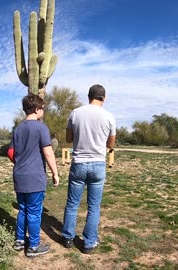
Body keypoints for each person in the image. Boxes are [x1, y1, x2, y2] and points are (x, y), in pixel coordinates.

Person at [61, 84, 116, 254]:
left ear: (88, 96)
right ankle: (89, 243)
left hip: (79, 163)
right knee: (94, 206)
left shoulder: (76, 113)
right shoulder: (109, 117)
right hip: (98, 164)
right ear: (104, 98)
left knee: (72, 203)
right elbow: (111, 144)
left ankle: (68, 237)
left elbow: (69, 138)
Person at [7, 93, 60, 257]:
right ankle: (34, 247)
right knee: (35, 212)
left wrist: (21, 163)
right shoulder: (41, 128)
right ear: (37, 109)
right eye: (42, 108)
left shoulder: (18, 128)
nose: (43, 111)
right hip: (34, 177)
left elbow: (10, 153)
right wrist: (55, 173)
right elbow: (49, 153)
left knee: (23, 209)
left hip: (19, 175)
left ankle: (20, 241)